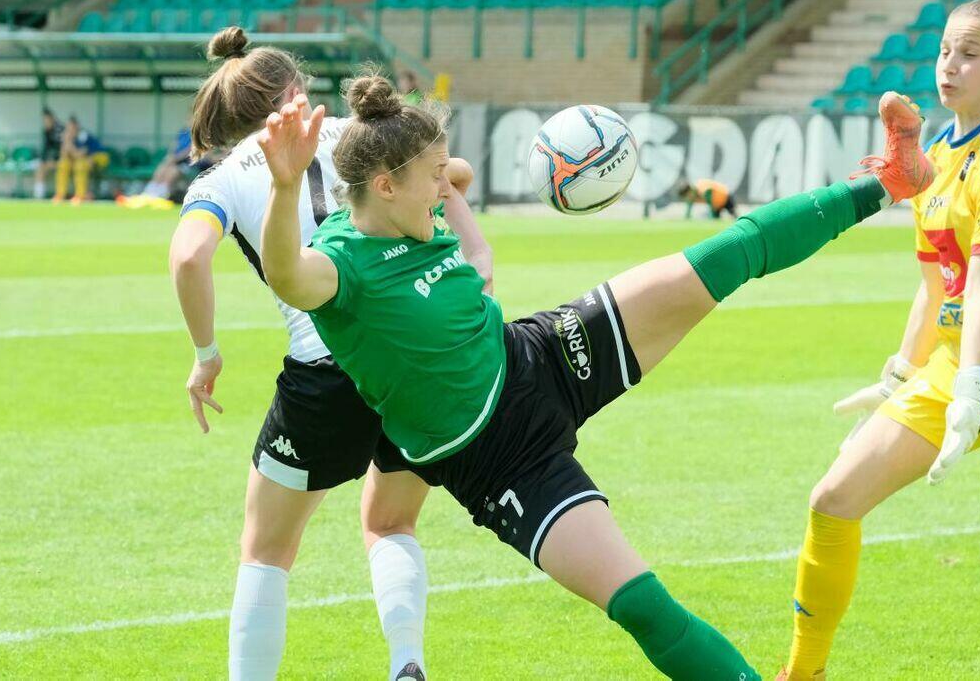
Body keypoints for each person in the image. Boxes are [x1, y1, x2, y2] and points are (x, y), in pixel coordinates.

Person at [255, 66, 935, 676]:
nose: (447, 184)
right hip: (502, 462)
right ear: (383, 186)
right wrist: (286, 187)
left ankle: (891, 181)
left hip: (538, 354)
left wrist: (453, 206)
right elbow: (287, 274)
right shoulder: (340, 263)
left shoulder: (415, 218)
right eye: (432, 176)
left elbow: (463, 238)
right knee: (643, 606)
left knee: (728, 253)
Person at [168, 27, 494, 681]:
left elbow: (188, 257)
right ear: (296, 89)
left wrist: (206, 354)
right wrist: (473, 246)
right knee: (391, 522)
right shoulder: (358, 134)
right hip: (414, 351)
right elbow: (450, 174)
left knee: (266, 550)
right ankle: (406, 663)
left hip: (326, 366)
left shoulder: (221, 179)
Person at [780, 0, 980, 681]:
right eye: (946, 50)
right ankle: (802, 674)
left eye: (970, 54)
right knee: (833, 501)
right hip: (958, 361)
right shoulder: (935, 155)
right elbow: (938, 284)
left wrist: (971, 394)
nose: (949, 65)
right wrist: (899, 373)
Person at [53, 116, 109, 205]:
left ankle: (81, 195)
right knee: (63, 163)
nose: (70, 131)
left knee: (80, 165)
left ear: (77, 127)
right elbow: (63, 155)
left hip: (100, 157)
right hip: (84, 159)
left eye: (72, 128)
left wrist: (69, 145)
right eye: (68, 128)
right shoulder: (70, 138)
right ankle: (60, 194)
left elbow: (79, 154)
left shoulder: (83, 136)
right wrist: (65, 142)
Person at [33, 108, 63, 200]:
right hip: (51, 161)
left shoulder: (59, 130)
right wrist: (44, 160)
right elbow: (45, 150)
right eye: (44, 120)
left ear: (52, 118)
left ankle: (59, 195)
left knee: (43, 167)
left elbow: (61, 149)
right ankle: (38, 196)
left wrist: (54, 160)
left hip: (63, 160)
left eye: (47, 119)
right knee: (40, 167)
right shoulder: (46, 131)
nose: (45, 122)